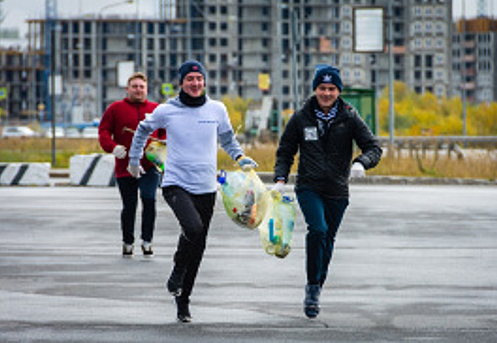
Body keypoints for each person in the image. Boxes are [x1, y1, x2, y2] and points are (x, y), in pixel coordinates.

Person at [127, 60, 257, 323]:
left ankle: (183, 300)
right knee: (193, 228)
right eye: (190, 79)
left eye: (199, 79)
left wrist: (240, 157)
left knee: (197, 245)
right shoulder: (167, 110)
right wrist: (133, 159)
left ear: (204, 82)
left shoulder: (217, 109)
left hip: (206, 187)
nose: (195, 83)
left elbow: (228, 140)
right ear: (181, 82)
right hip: (176, 183)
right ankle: (177, 269)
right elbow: (142, 130)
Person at [272, 65, 382, 319]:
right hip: (309, 186)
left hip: (337, 190)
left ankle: (317, 286)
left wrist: (361, 163)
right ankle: (312, 288)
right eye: (322, 88)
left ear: (338, 91)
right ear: (315, 89)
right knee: (318, 230)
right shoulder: (301, 117)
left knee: (328, 240)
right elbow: (285, 151)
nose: (327, 93)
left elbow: (374, 147)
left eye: (332, 89)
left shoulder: (349, 116)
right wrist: (280, 178)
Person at [98, 72, 164, 258]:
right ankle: (128, 242)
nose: (138, 90)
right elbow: (103, 131)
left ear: (146, 89)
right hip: (124, 167)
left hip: (150, 166)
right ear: (127, 89)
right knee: (129, 205)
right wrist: (112, 147)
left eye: (141, 87)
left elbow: (165, 132)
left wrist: (161, 145)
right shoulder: (115, 108)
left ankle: (147, 241)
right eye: (134, 86)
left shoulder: (156, 109)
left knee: (149, 199)